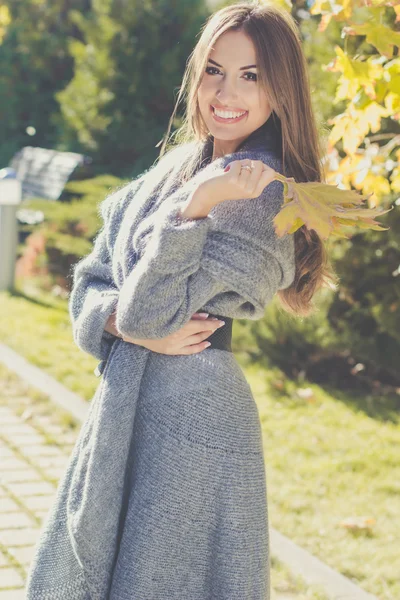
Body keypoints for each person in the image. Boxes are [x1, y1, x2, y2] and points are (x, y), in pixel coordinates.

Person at [25, 2, 334, 599]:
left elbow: (151, 312)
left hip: (194, 421)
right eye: (214, 69)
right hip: (129, 405)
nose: (226, 91)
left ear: (281, 90)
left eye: (251, 76)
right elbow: (93, 279)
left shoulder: (262, 199)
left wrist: (194, 211)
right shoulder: (180, 167)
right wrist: (119, 323)